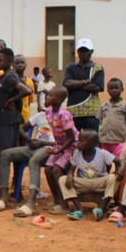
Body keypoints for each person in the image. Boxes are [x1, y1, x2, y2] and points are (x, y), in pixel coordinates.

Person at [0, 48, 32, 211]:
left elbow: (27, 91)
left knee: (5, 155)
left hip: (8, 121)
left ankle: (5, 195)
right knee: (9, 154)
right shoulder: (6, 76)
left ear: (9, 62)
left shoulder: (9, 77)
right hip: (8, 120)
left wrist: (9, 101)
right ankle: (13, 192)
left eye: (0, 60)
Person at [1, 98, 56, 218]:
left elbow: (65, 142)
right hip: (34, 146)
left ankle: (31, 202)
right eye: (45, 98)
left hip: (50, 149)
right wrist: (29, 140)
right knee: (5, 154)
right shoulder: (41, 115)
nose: (45, 100)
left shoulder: (63, 116)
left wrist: (41, 143)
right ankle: (4, 197)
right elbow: (22, 128)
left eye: (49, 97)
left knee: (34, 160)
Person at [59, 130, 125, 220]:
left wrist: (121, 169)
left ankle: (102, 209)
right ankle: (79, 208)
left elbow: (120, 161)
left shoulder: (102, 153)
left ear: (91, 144)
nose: (78, 143)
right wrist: (70, 175)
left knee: (113, 178)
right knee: (63, 179)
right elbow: (71, 170)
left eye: (81, 141)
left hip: (100, 183)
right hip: (84, 183)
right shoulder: (77, 154)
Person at [42, 86, 79, 215]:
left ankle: (64, 204)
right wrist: (56, 149)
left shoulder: (64, 114)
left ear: (58, 100)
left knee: (57, 170)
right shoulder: (48, 111)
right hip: (60, 144)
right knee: (47, 169)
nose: (47, 97)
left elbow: (72, 137)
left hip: (72, 145)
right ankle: (56, 200)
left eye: (50, 96)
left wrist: (58, 151)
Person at [63, 38, 104, 132]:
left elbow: (96, 87)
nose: (84, 53)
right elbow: (66, 84)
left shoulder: (97, 68)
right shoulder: (71, 67)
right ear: (77, 52)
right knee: (73, 141)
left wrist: (75, 84)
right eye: (81, 50)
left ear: (91, 51)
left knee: (91, 140)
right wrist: (86, 81)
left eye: (86, 50)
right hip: (73, 111)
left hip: (91, 113)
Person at [97, 78, 126, 158]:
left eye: (116, 88)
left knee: (120, 160)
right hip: (104, 140)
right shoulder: (103, 106)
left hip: (119, 140)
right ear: (107, 90)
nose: (114, 90)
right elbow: (99, 122)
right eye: (111, 88)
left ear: (122, 89)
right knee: (105, 161)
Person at [14, 54, 36, 124]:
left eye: (22, 62)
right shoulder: (11, 80)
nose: (20, 65)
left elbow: (29, 102)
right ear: (12, 64)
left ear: (26, 64)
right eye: (17, 63)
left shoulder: (30, 82)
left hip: (25, 117)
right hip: (13, 117)